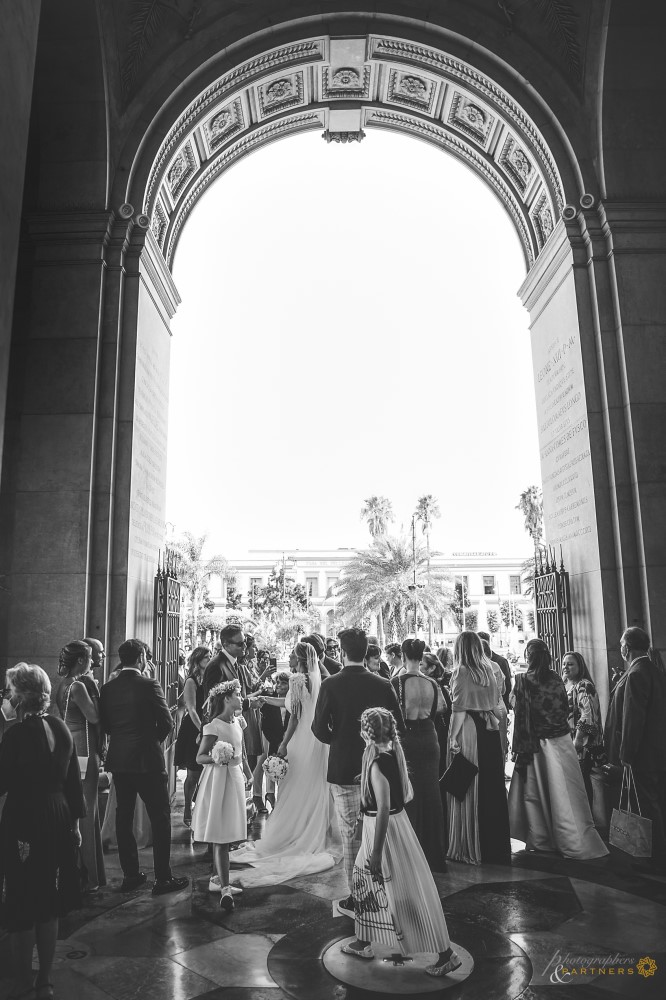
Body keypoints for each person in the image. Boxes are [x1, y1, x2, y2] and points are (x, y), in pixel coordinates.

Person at [342, 707, 461, 979]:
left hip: (385, 831)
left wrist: (376, 851)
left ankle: (446, 955)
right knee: (365, 882)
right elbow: (389, 788)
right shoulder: (390, 753)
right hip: (397, 824)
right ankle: (363, 941)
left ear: (364, 732)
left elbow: (383, 808)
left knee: (408, 887)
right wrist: (369, 782)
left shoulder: (375, 763)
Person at [0, 662, 84, 1000]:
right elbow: (73, 783)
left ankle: (22, 982)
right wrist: (76, 825)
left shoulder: (17, 733)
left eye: (8, 693)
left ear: (20, 697)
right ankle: (45, 980)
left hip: (26, 817)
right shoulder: (61, 727)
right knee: (47, 901)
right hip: (58, 815)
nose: (6, 698)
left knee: (22, 900)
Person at [229, 643, 342, 886]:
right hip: (315, 742)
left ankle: (295, 832)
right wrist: (264, 699)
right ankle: (307, 829)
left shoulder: (297, 679)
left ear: (300, 658)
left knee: (294, 785)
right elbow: (288, 703)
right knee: (309, 784)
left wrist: (283, 744)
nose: (288, 657)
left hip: (299, 740)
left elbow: (294, 717)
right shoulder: (313, 679)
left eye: (291, 654)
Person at [311, 627, 404, 915]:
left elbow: (317, 727)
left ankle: (357, 895)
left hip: (344, 766)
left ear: (341, 651)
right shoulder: (382, 683)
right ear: (366, 652)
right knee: (380, 829)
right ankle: (384, 889)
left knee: (350, 834)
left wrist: (337, 740)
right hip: (379, 767)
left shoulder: (331, 685)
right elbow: (396, 725)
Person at [99, 638, 189, 895]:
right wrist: (152, 741)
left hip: (120, 761)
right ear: (140, 658)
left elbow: (106, 726)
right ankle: (163, 879)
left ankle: (130, 875)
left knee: (123, 817)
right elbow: (168, 723)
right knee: (160, 818)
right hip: (148, 761)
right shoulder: (149, 684)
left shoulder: (108, 688)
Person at [508, 639, 608, 860]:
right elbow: (564, 708)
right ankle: (571, 837)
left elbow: (522, 718)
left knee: (537, 794)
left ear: (529, 656)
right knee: (566, 794)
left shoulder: (524, 680)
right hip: (561, 742)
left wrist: (516, 749)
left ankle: (543, 838)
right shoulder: (556, 679)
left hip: (536, 744)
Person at [604, 627, 666, 875]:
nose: (620, 648)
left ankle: (654, 856)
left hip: (642, 755)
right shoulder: (653, 670)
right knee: (653, 801)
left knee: (646, 805)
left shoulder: (637, 673)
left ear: (626, 648)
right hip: (656, 751)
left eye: (621, 644)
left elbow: (634, 718)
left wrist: (626, 755)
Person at [446, 631, 511, 866]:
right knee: (490, 785)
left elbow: (459, 709)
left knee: (466, 784)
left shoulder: (461, 672)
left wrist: (453, 738)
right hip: (489, 730)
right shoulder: (489, 670)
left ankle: (468, 845)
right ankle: (493, 845)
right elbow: (496, 701)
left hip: (470, 730)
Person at [55, 640, 106, 893]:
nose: (91, 662)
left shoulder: (62, 684)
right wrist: (96, 689)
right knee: (86, 811)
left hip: (68, 747)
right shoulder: (78, 686)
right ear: (80, 661)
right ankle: (86, 875)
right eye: (88, 657)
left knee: (79, 808)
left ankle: (77, 869)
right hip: (83, 750)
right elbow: (95, 716)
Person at [391, 638, 447, 871]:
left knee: (408, 792)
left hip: (408, 739)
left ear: (403, 656)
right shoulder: (432, 683)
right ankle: (434, 854)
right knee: (431, 792)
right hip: (430, 738)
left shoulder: (397, 682)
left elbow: (390, 713)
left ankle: (410, 852)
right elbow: (443, 707)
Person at [192, 679, 247, 911]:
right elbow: (199, 757)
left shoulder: (238, 722)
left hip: (234, 778)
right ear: (226, 698)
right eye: (238, 694)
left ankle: (217, 880)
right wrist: (218, 757)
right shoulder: (213, 726)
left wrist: (246, 773)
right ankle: (225, 890)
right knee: (221, 837)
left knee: (228, 833)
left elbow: (240, 752)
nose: (242, 698)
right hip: (218, 782)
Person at [174, 645, 211, 827]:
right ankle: (188, 807)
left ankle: (203, 809)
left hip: (209, 725)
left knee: (208, 772)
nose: (210, 659)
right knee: (193, 773)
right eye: (206, 657)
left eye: (211, 656)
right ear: (197, 660)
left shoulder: (212, 678)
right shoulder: (191, 681)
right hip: (193, 728)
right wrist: (202, 730)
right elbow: (191, 709)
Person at [562, 650, 605, 806]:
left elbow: (588, 717)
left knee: (586, 790)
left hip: (586, 749)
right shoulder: (567, 684)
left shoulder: (584, 685)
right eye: (564, 664)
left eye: (570, 664)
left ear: (580, 666)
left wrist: (578, 741)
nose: (566, 667)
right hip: (574, 746)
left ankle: (593, 824)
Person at [422, 652, 453, 826]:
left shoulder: (436, 685)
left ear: (432, 668)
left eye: (421, 666)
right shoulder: (430, 683)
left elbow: (443, 709)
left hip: (439, 731)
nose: (418, 669)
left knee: (439, 770)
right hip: (437, 730)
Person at [258, 669, 291, 811]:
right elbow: (266, 725)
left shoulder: (292, 703)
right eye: (277, 682)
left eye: (283, 683)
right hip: (274, 741)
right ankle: (270, 795)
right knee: (274, 769)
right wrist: (276, 740)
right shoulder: (269, 702)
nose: (279, 685)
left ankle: (284, 799)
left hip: (289, 744)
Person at [480, 638, 509, 759]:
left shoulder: (476, 667)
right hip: (499, 706)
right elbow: (503, 690)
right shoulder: (495, 665)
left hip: (485, 708)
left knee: (486, 746)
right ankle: (500, 773)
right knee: (501, 742)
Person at [478, 631, 512, 713]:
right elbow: (506, 686)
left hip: (493, 708)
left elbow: (507, 686)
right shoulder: (500, 661)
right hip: (498, 707)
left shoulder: (501, 661)